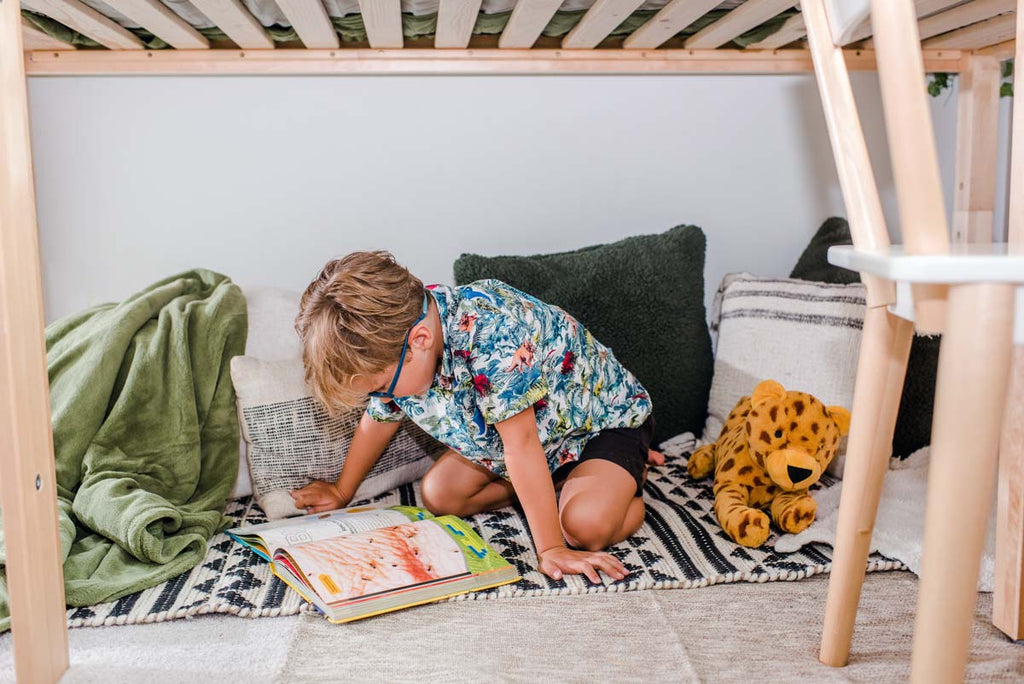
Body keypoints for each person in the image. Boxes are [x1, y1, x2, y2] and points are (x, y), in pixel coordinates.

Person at [291, 251, 663, 583]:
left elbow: (521, 445)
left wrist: (551, 549)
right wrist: (342, 490)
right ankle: (557, 486)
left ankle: (630, 475)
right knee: (439, 495)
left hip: (600, 428)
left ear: (420, 340)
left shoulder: (492, 332)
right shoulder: (401, 336)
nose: (381, 398)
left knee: (584, 527)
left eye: (382, 387)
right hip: (535, 443)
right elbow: (378, 420)